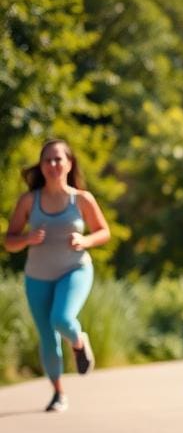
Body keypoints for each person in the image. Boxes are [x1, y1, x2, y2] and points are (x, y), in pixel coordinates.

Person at [3, 140, 110, 412]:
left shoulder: (82, 199)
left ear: (69, 163)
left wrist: (85, 241)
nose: (53, 165)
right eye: (47, 160)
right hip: (37, 277)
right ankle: (58, 393)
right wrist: (27, 238)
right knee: (47, 337)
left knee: (61, 318)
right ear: (41, 166)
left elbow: (103, 232)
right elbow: (9, 241)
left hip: (74, 270)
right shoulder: (29, 201)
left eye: (58, 159)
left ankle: (78, 340)